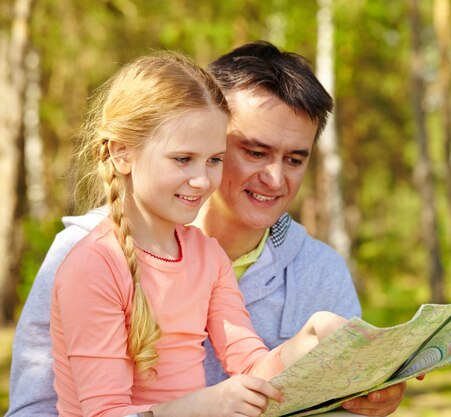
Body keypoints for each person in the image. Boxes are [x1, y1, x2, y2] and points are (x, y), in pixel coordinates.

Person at [8, 41, 407, 417]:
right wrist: (207, 405)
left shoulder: (212, 257)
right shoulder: (89, 260)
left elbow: (255, 368)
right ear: (122, 153)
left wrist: (314, 338)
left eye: (213, 160)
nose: (202, 180)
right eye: (183, 158)